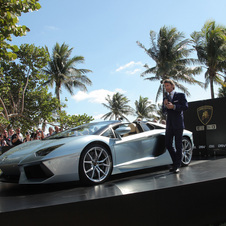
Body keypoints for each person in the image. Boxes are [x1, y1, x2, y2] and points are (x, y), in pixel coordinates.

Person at [162, 79, 188, 173]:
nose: (166, 88)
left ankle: (176, 166)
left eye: (168, 85)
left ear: (172, 86)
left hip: (178, 124)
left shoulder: (180, 95)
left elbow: (185, 107)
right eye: (165, 86)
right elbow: (163, 111)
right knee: (168, 144)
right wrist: (165, 106)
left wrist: (174, 107)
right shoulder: (165, 97)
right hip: (169, 124)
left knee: (178, 145)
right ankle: (176, 162)